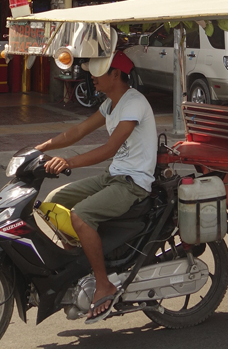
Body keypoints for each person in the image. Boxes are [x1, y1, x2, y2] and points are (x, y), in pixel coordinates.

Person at [37, 47, 156, 322]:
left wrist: (67, 162)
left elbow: (110, 148)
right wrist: (41, 148)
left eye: (98, 72)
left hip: (133, 183)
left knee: (81, 216)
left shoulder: (134, 103)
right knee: (54, 202)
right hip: (113, 176)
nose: (92, 77)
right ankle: (79, 265)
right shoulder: (110, 103)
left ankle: (103, 283)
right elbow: (78, 131)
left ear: (116, 74)